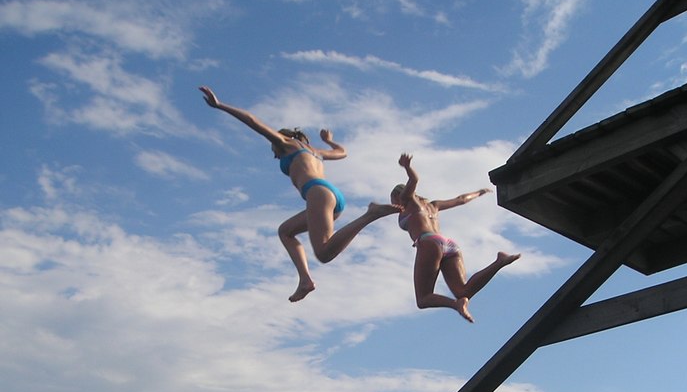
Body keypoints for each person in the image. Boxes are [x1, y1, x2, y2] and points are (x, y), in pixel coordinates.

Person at [199, 86, 392, 302]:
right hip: (330, 195)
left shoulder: (287, 144)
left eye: (274, 151)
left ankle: (370, 214)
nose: (274, 155)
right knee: (286, 231)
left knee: (323, 252)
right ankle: (305, 280)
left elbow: (253, 121)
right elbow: (342, 152)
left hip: (317, 193)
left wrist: (220, 105)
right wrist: (329, 141)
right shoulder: (316, 152)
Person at [386, 153, 520, 323]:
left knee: (423, 298)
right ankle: (499, 261)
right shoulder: (433, 205)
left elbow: (414, 181)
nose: (395, 205)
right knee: (463, 291)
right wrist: (479, 192)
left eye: (393, 200)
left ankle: (456, 304)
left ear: (399, 195)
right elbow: (461, 200)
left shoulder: (408, 200)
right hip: (448, 244)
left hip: (428, 242)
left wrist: (407, 167)